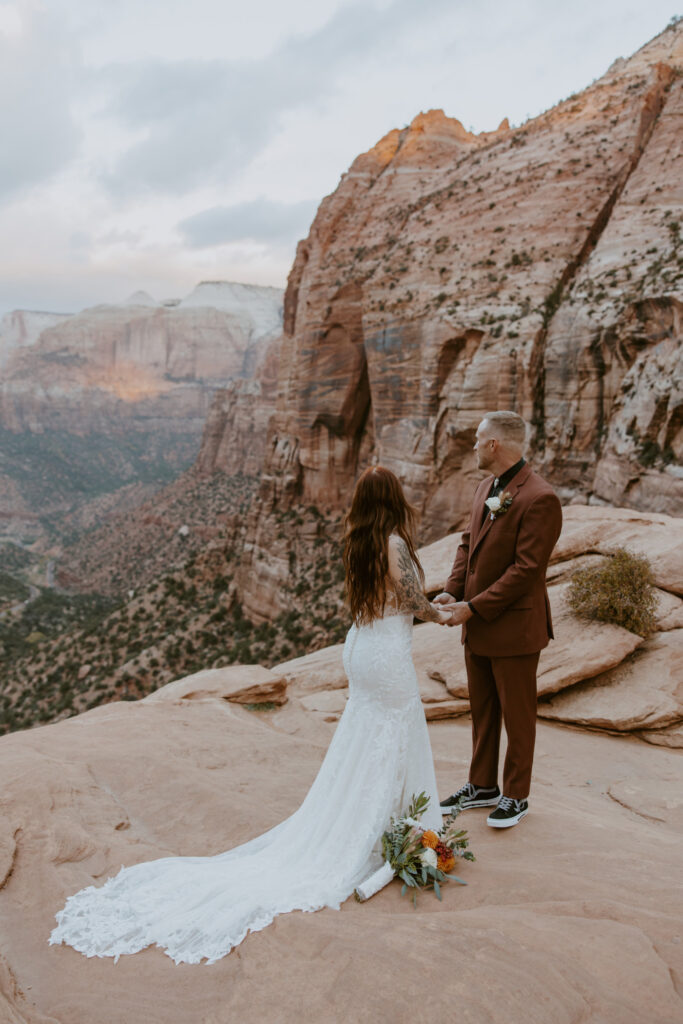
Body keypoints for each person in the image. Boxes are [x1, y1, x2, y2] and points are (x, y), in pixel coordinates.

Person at [49, 466, 450, 965]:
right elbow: (410, 600)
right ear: (394, 499)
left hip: (362, 649)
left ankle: (380, 820)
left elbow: (385, 599)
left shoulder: (360, 540)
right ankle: (392, 826)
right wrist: (445, 612)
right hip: (388, 653)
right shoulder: (393, 541)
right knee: (396, 728)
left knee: (366, 733)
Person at [434, 411, 562, 829]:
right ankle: (481, 786)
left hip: (515, 628)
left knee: (517, 715)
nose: (472, 446)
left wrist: (473, 607)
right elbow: (467, 544)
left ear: (495, 445)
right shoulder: (485, 487)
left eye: (477, 439)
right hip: (479, 625)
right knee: (483, 711)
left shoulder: (540, 498)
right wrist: (454, 590)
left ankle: (515, 796)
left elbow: (526, 571)